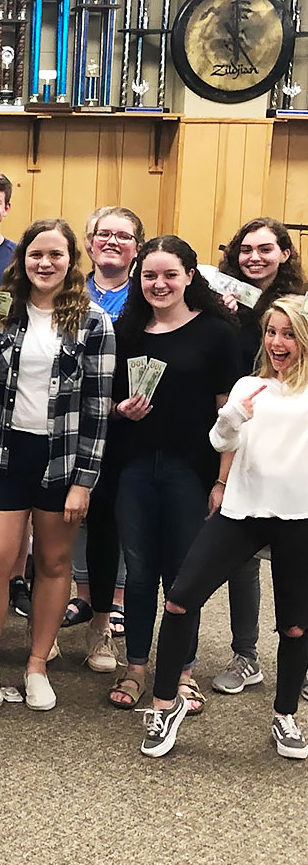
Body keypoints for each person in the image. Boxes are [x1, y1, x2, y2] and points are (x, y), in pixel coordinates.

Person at [141, 296, 308, 760]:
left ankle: (285, 716)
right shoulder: (249, 386)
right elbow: (219, 440)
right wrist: (232, 418)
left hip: (298, 520)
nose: (277, 342)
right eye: (271, 332)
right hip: (241, 513)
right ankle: (164, 705)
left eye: (289, 334)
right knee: (179, 600)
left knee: (295, 627)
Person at [0, 218, 115, 711]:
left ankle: (35, 666)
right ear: (22, 260)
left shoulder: (93, 322)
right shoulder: (0, 310)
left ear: (71, 261)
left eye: (55, 255)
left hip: (62, 462)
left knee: (53, 563)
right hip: (3, 454)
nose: (45, 263)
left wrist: (84, 482)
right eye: (36, 254)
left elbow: (97, 410)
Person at [106, 236, 242, 714]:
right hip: (135, 469)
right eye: (149, 275)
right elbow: (104, 403)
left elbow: (230, 417)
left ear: (189, 276)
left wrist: (222, 482)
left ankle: (183, 671)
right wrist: (120, 410)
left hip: (192, 471)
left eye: (169, 274)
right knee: (139, 571)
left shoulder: (217, 333)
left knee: (182, 577)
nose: (159, 284)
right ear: (138, 280)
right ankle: (136, 666)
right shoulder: (126, 332)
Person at [208, 218, 306, 695]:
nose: (254, 257)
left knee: (299, 567)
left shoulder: (300, 305)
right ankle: (246, 655)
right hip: (239, 432)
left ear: (284, 253)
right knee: (240, 558)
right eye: (246, 249)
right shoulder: (223, 303)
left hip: (292, 451)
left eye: (265, 249)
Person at [64, 206, 146, 668]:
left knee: (111, 517)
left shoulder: (147, 295)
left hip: (127, 425)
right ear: (89, 243)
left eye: (124, 236)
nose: (112, 242)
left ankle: (109, 607)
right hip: (69, 424)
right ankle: (77, 596)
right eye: (103, 234)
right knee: (63, 516)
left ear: (137, 247)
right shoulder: (69, 291)